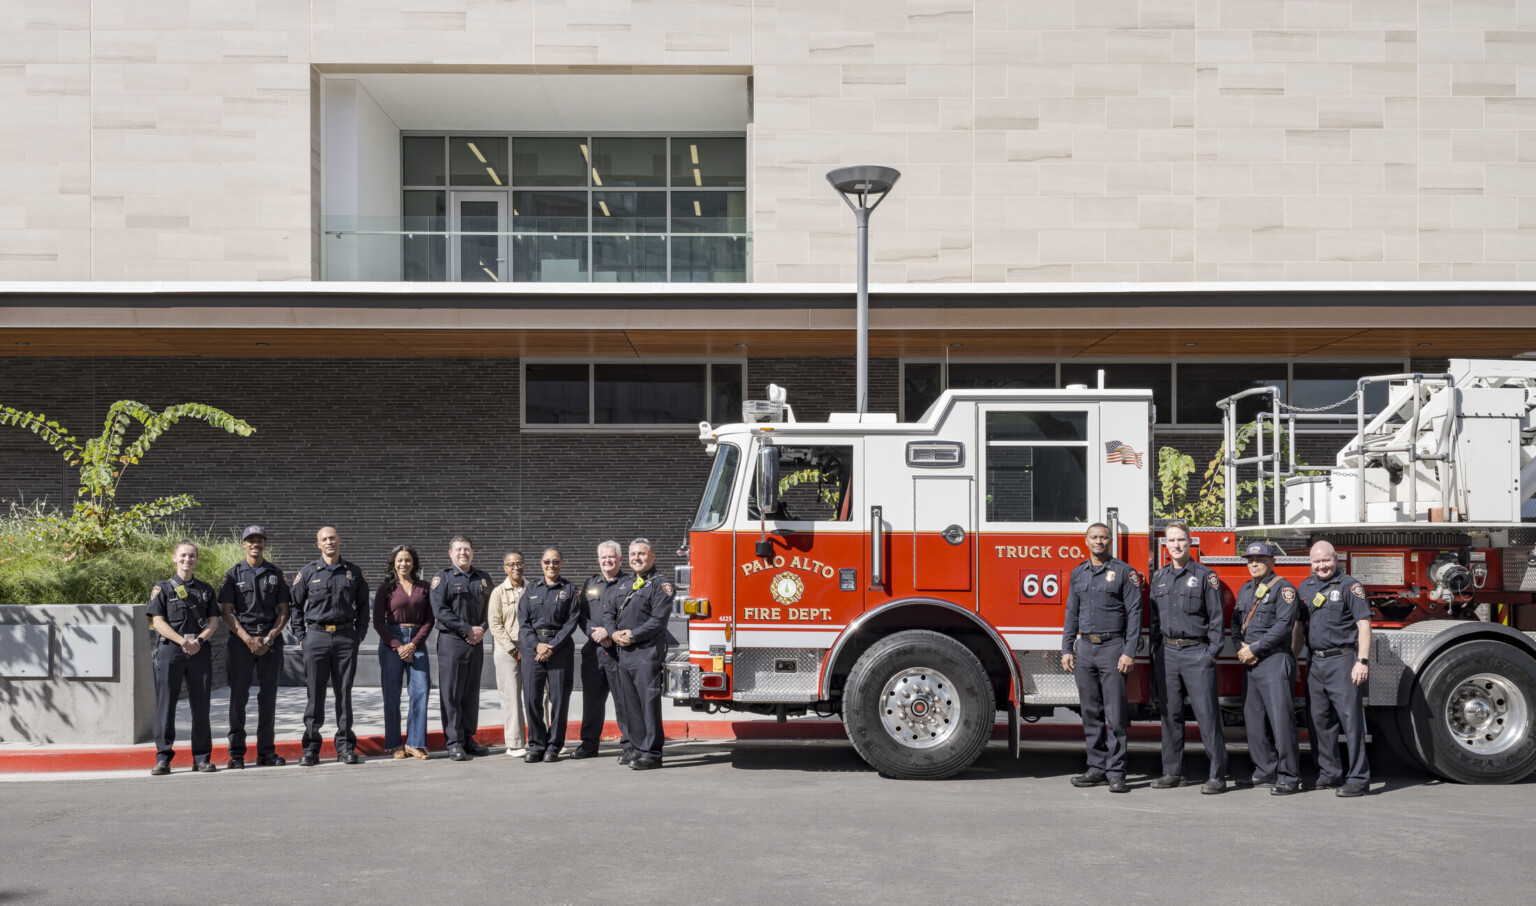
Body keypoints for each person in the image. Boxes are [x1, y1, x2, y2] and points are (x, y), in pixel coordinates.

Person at [1060, 523, 1142, 793]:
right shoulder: (1078, 573)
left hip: (1112, 648)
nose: (1099, 542)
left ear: (1110, 541)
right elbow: (1071, 612)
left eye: (1104, 538)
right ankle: (1096, 768)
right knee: (1090, 713)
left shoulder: (1124, 573)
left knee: (1116, 715)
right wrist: (1067, 649)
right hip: (1085, 649)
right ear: (1086, 541)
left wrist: (1129, 651)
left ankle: (1117, 771)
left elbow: (1135, 615)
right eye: (1094, 537)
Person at [1147, 521, 1229, 794]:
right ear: (1165, 545)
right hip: (1168, 654)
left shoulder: (1206, 576)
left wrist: (1210, 654)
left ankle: (1217, 775)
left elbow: (1217, 619)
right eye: (1171, 541)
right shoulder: (1159, 577)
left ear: (1190, 542)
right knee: (1170, 715)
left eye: (1181, 540)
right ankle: (1173, 772)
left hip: (1197, 652)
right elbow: (1154, 619)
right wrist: (1158, 650)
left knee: (1207, 715)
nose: (1177, 545)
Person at [1295, 540, 1372, 797]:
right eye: (1316, 562)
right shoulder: (1305, 587)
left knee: (1351, 723)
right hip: (1315, 662)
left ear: (1335, 558)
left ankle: (1359, 779)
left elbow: (1363, 624)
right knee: (1319, 722)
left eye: (1326, 560)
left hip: (1342, 661)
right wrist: (1294, 658)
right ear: (1310, 563)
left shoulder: (1350, 586)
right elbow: (1299, 627)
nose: (1322, 566)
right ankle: (1329, 774)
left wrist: (1362, 661)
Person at [291, 525, 370, 766]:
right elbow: (295, 606)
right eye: (324, 539)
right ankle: (311, 748)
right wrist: (301, 636)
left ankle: (345, 746)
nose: (329, 542)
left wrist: (359, 634)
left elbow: (364, 606)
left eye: (333, 538)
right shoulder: (307, 573)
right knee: (315, 694)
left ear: (339, 540)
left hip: (346, 638)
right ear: (318, 544)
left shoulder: (353, 573)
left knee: (343, 693)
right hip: (316, 638)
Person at [217, 524, 291, 770]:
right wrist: (247, 638)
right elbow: (226, 612)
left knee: (268, 699)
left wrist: (269, 637)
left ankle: (266, 752)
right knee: (239, 698)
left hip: (271, 642)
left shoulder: (276, 574)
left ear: (265, 544)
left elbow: (284, 611)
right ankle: (236, 753)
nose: (255, 544)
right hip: (240, 643)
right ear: (244, 545)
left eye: (259, 540)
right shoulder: (233, 574)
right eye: (251, 540)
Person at [1232, 540, 1302, 795]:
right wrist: (1241, 647)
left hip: (1274, 660)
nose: (1254, 563)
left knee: (1281, 722)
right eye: (1250, 560)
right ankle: (1265, 770)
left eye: (1260, 559)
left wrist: (1255, 648)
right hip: (1251, 663)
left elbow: (1284, 626)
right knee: (1254, 722)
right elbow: (1234, 624)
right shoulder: (1244, 590)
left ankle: (1290, 776)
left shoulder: (1284, 589)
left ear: (1272, 562)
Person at [147, 539, 220, 776]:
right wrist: (182, 642)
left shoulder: (205, 589)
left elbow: (213, 621)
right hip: (171, 651)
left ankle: (201, 758)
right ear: (174, 558)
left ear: (197, 559)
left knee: (200, 707)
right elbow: (157, 622)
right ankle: (163, 758)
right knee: (166, 706)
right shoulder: (163, 588)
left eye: (192, 556)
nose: (187, 559)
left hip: (199, 650)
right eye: (183, 555)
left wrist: (198, 641)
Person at [606, 538, 674, 770]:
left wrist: (632, 635)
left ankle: (652, 753)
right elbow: (608, 611)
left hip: (647, 653)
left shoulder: (661, 584)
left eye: (642, 554)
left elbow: (658, 621)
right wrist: (614, 634)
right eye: (633, 554)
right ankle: (636, 748)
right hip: (624, 653)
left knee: (648, 704)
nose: (637, 558)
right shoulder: (624, 584)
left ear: (652, 556)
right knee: (630, 704)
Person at [431, 535, 493, 761]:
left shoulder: (483, 579)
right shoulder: (442, 578)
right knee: (452, 693)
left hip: (476, 641)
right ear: (451, 553)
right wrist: (467, 629)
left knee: (470, 693)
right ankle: (454, 742)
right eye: (458, 550)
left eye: (466, 549)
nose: (463, 553)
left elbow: (490, 610)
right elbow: (440, 611)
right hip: (452, 642)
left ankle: (468, 738)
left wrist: (481, 629)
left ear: (472, 552)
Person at [517, 547, 580, 763]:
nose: (551, 565)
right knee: (532, 698)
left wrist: (551, 646)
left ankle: (554, 746)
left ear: (561, 563)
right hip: (532, 650)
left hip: (559, 649)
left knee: (559, 700)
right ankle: (536, 745)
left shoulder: (570, 590)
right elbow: (523, 622)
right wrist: (537, 646)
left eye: (555, 562)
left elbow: (571, 622)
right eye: (547, 562)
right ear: (541, 564)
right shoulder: (531, 589)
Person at [373, 544, 434, 760]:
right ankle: (395, 743)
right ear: (394, 563)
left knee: (420, 692)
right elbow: (378, 622)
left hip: (417, 643)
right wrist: (398, 646)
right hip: (392, 642)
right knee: (392, 695)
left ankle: (415, 744)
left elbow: (429, 620)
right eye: (400, 560)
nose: (404, 564)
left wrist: (414, 645)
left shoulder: (424, 587)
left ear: (414, 563)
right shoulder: (385, 588)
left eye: (408, 560)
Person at [573, 541, 626, 759]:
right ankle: (588, 744)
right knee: (592, 701)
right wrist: (593, 633)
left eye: (611, 557)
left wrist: (610, 633)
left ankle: (630, 745)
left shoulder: (629, 583)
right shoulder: (590, 583)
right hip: (593, 651)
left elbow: (632, 615)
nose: (607, 561)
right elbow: (581, 614)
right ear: (598, 560)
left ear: (620, 559)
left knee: (623, 701)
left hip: (618, 652)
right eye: (603, 557)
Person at [488, 551, 529, 758]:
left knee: (540, 695)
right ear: (504, 568)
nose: (516, 568)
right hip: (507, 649)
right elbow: (495, 625)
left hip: (531, 646)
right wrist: (513, 650)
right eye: (511, 564)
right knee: (511, 695)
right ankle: (514, 743)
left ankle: (546, 738)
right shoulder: (498, 592)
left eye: (519, 563)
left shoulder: (533, 589)